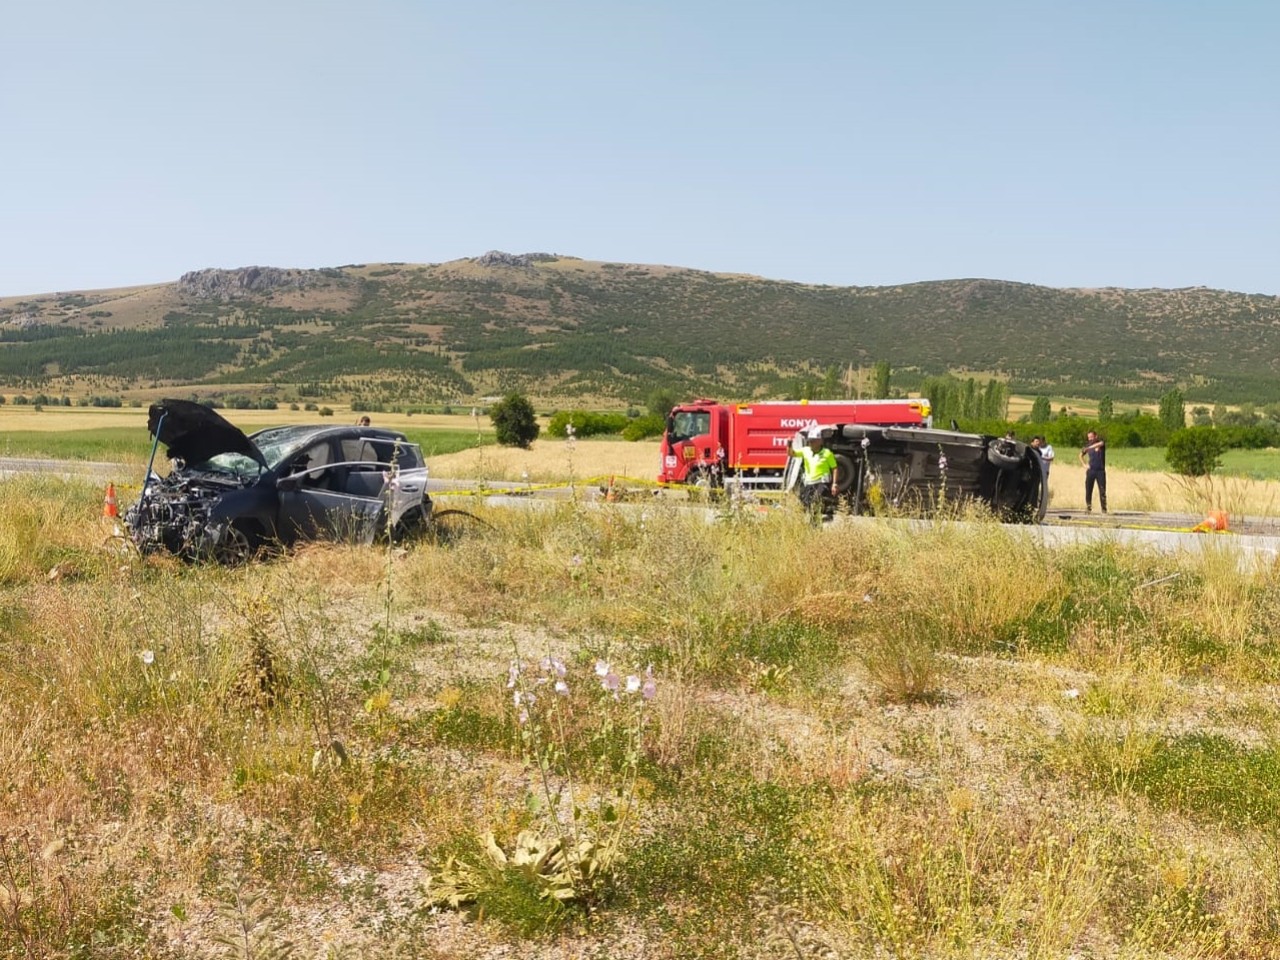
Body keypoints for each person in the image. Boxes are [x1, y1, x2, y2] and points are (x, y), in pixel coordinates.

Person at [789, 426, 839, 521]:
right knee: (805, 501)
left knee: (816, 500)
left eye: (814, 440)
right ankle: (818, 519)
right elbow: (791, 454)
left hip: (821, 482)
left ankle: (818, 520)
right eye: (810, 440)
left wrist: (834, 484)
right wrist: (789, 444)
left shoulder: (827, 453)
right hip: (809, 483)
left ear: (820, 441)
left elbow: (835, 468)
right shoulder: (805, 450)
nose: (811, 443)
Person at [1080, 430, 1106, 513]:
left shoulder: (1101, 443)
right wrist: (1084, 464)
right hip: (1091, 470)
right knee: (1088, 489)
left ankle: (1104, 509)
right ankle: (1088, 507)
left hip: (1100, 471)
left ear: (1096, 436)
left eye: (1091, 437)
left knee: (1102, 490)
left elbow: (1100, 444)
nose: (1090, 439)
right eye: (1089, 438)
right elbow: (1080, 455)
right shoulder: (1087, 445)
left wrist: (1089, 448)